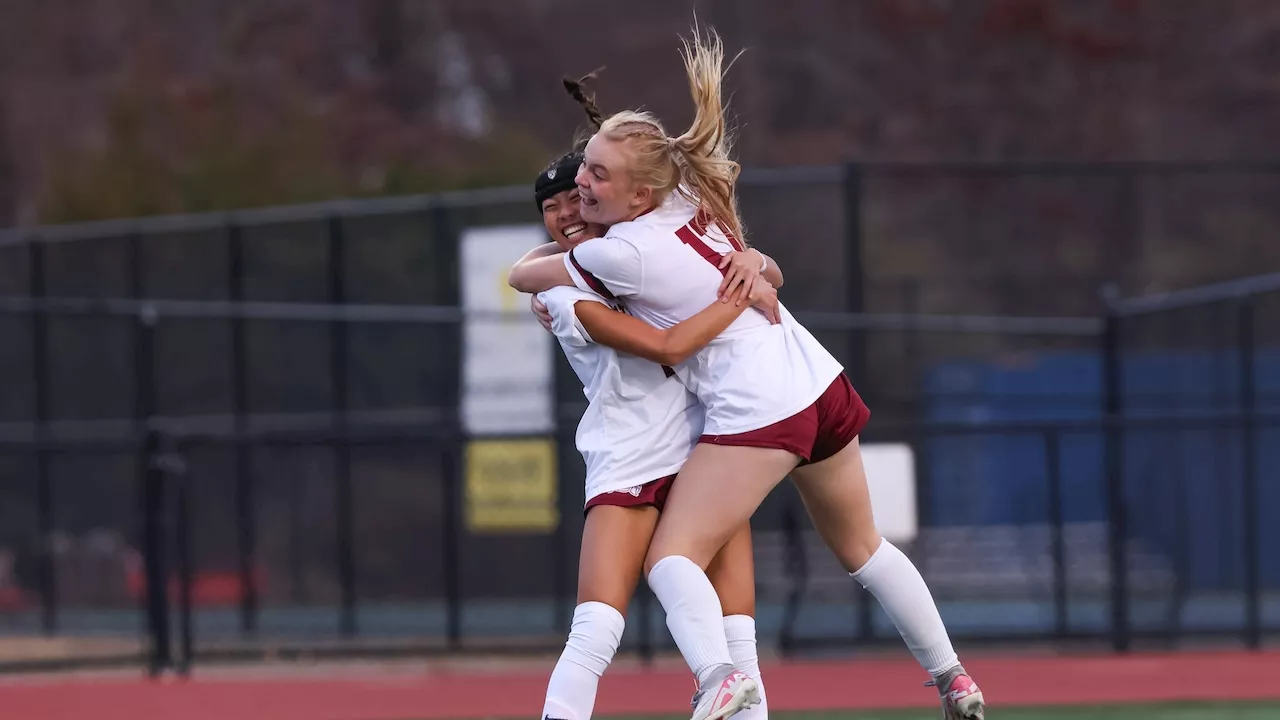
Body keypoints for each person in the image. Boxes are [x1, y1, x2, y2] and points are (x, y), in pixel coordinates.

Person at [508, 26, 985, 720]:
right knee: (863, 547)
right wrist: (754, 274)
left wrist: (745, 281)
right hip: (819, 380)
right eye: (574, 187)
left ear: (640, 195)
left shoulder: (618, 256)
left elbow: (532, 274)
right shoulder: (689, 201)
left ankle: (720, 678)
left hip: (758, 409)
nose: (578, 195)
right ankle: (954, 677)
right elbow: (767, 270)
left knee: (670, 563)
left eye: (593, 180)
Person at [520, 78, 783, 720]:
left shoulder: (640, 247)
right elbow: (667, 347)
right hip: (632, 456)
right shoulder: (565, 288)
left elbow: (741, 258)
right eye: (552, 208)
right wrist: (739, 293)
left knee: (738, 640)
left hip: (704, 447)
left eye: (577, 194)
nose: (567, 212)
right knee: (596, 630)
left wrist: (756, 262)